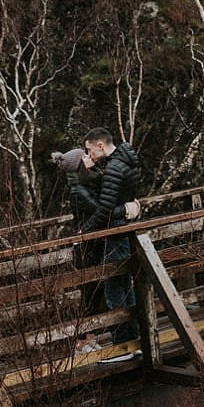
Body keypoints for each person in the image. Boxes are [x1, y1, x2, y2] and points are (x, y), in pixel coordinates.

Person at [73, 127, 142, 349]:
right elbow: (115, 198)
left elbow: (104, 211)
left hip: (113, 235)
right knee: (125, 289)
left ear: (100, 145)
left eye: (90, 150)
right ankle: (135, 341)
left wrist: (84, 232)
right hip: (123, 232)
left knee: (115, 293)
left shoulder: (113, 168)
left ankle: (124, 345)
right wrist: (128, 208)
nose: (89, 155)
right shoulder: (125, 162)